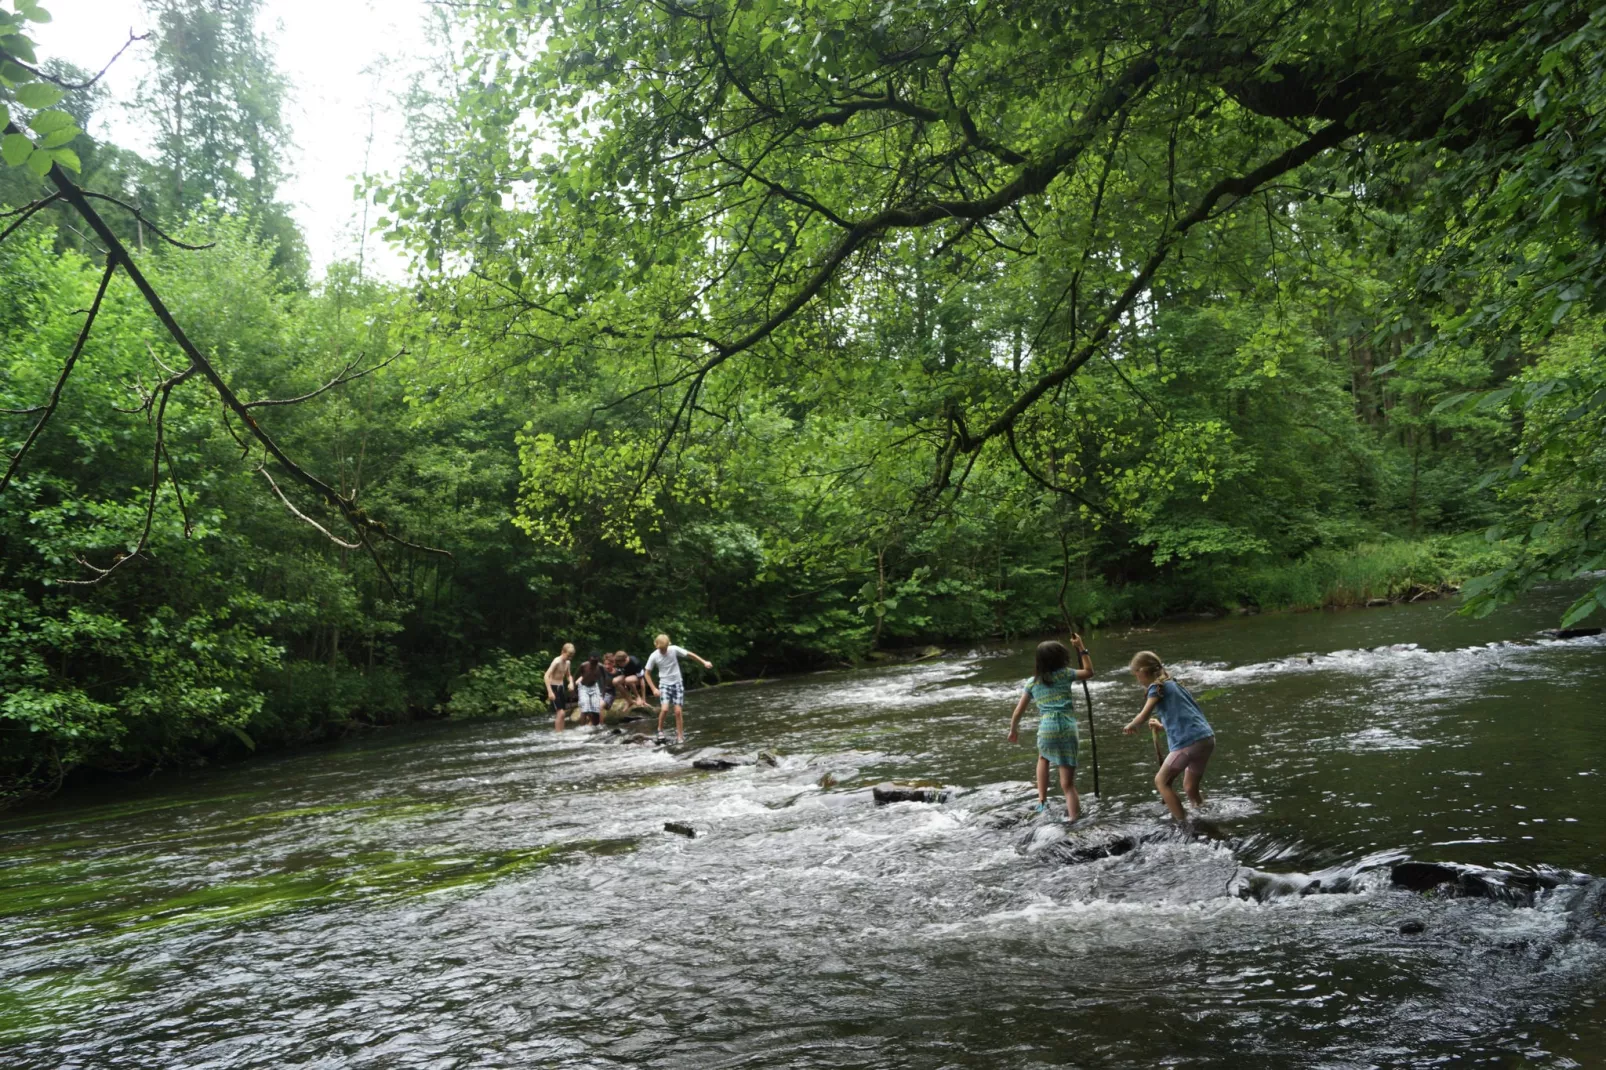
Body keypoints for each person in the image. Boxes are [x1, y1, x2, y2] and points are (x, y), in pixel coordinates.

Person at [1007, 635, 1094, 821]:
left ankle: (1042, 800)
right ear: (1062, 659)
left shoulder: (1032, 683)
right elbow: (1089, 672)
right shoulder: (1066, 674)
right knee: (1067, 785)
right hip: (1068, 728)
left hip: (1047, 728)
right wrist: (1081, 647)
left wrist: (1013, 729)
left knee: (1043, 757)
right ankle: (1074, 820)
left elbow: (1018, 711)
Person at [1122, 650, 1215, 823]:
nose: (1138, 680)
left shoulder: (1156, 688)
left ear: (1142, 671)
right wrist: (1162, 726)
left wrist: (1132, 725)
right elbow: (1186, 717)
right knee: (1190, 788)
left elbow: (1144, 714)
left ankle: (1183, 823)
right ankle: (1204, 817)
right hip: (1205, 739)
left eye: (1136, 675)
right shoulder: (1174, 684)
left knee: (1161, 782)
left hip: (1189, 744)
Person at [643, 634, 713, 742]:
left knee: (678, 712)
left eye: (665, 648)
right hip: (664, 684)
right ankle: (660, 729)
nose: (664, 651)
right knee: (665, 709)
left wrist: (704, 662)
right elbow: (647, 673)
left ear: (668, 645)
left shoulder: (674, 649)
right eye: (661, 649)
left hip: (677, 683)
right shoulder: (654, 656)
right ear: (656, 646)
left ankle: (680, 735)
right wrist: (654, 689)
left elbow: (690, 654)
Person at [546, 643, 575, 732]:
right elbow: (546, 676)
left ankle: (561, 733)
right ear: (562, 651)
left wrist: (571, 683)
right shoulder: (556, 661)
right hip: (553, 687)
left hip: (561, 687)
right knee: (560, 712)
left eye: (571, 657)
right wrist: (550, 692)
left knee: (563, 713)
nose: (569, 658)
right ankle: (558, 734)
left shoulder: (568, 662)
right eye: (568, 656)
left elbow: (568, 675)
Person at [575, 652, 608, 727]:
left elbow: (605, 678)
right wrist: (574, 691)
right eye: (592, 662)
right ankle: (582, 728)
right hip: (583, 687)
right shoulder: (583, 665)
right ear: (589, 660)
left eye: (596, 662)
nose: (594, 664)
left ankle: (596, 727)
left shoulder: (600, 667)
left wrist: (603, 692)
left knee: (596, 709)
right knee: (585, 708)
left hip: (594, 686)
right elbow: (576, 676)